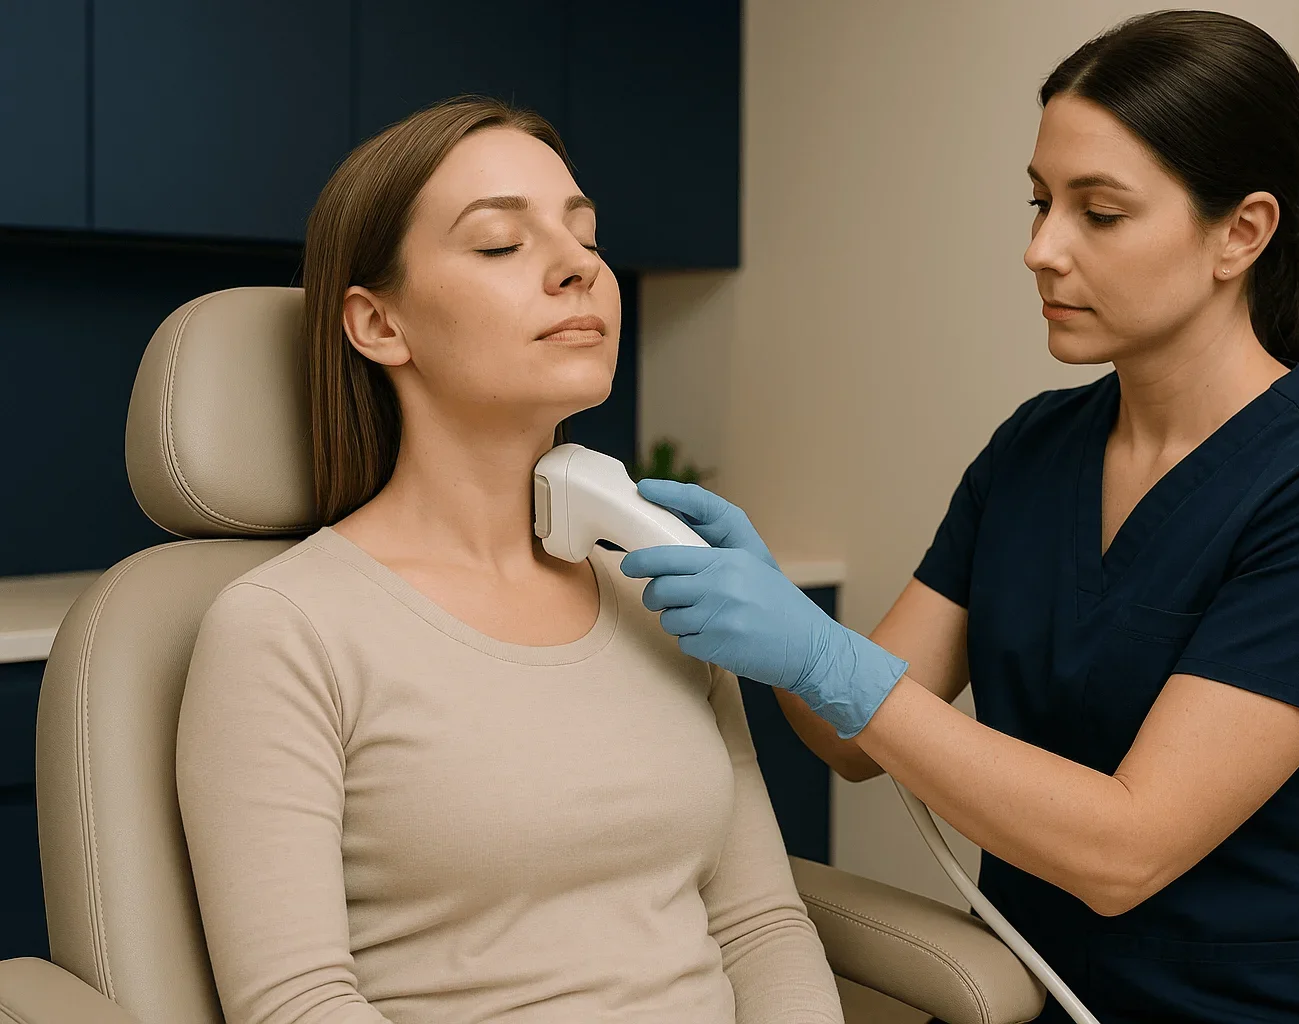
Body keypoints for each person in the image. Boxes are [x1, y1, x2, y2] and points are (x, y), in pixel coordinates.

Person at [624, 11, 1299, 1023]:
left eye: (1101, 213)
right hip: (1030, 995)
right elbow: (851, 742)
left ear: (1242, 232)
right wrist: (780, 622)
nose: (1040, 249)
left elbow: (1125, 850)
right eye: (1042, 202)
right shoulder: (1035, 448)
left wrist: (831, 661)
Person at [175, 97, 843, 1024]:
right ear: (378, 325)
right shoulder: (285, 631)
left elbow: (759, 925)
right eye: (500, 244)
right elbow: (300, 1003)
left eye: (587, 237)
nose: (581, 266)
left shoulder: (661, 588)